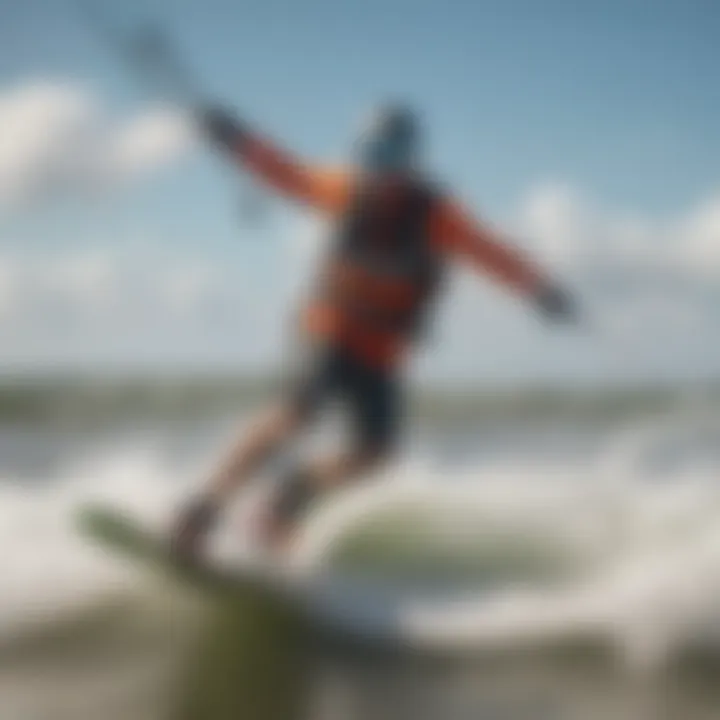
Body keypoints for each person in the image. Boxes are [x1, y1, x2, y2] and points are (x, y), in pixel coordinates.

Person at [172, 102, 576, 558]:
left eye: (389, 158)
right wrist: (234, 138)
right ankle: (202, 508)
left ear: (409, 162)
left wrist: (540, 289)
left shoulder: (439, 216)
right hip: (328, 330)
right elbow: (286, 174)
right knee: (294, 414)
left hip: (380, 353)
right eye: (370, 157)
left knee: (377, 453)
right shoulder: (346, 189)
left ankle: (292, 496)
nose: (377, 172)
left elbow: (491, 253)